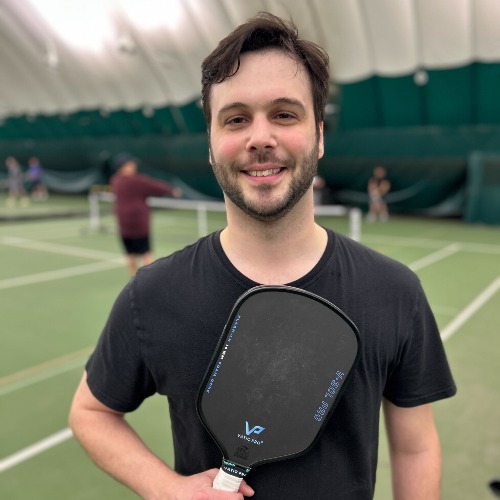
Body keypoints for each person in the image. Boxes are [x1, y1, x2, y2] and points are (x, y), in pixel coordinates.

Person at [69, 12, 456, 499]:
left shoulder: (395, 292)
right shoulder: (152, 293)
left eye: (284, 114)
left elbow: (415, 448)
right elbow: (90, 412)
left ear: (319, 135)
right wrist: (166, 488)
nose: (260, 138)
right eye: (236, 119)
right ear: (211, 145)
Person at [109, 153, 182, 276]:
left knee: (130, 254)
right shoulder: (137, 181)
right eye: (130, 164)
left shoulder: (115, 180)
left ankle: (134, 280)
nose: (134, 166)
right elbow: (155, 186)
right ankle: (148, 281)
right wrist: (172, 191)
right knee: (146, 253)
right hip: (138, 225)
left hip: (123, 225)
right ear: (124, 166)